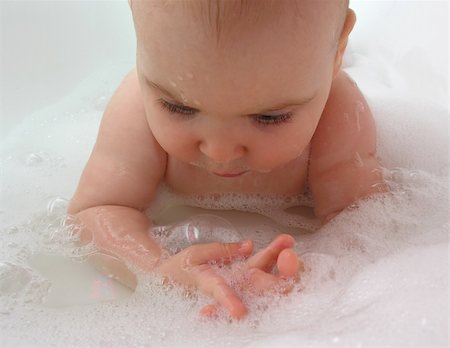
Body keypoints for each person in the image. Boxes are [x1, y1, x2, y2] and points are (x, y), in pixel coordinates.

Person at [68, 0, 386, 319]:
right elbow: (95, 212)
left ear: (338, 49)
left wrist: (316, 274)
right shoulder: (135, 109)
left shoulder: (339, 114)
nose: (218, 151)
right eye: (179, 108)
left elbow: (362, 223)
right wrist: (158, 268)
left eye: (269, 117)